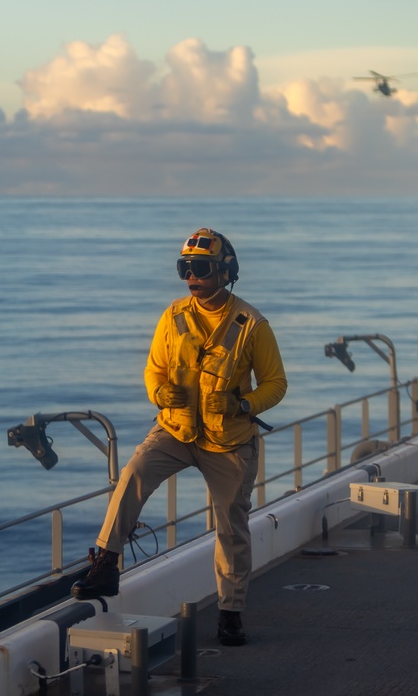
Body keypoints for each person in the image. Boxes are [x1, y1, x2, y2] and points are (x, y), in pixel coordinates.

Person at [71, 228, 287, 647]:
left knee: (231, 527)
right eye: (185, 269)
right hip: (176, 429)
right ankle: (107, 564)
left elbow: (276, 384)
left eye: (201, 268)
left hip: (227, 442)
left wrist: (244, 405)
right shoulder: (172, 316)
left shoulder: (252, 326)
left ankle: (231, 612)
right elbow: (155, 369)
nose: (192, 277)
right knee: (134, 471)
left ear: (225, 272)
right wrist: (158, 392)